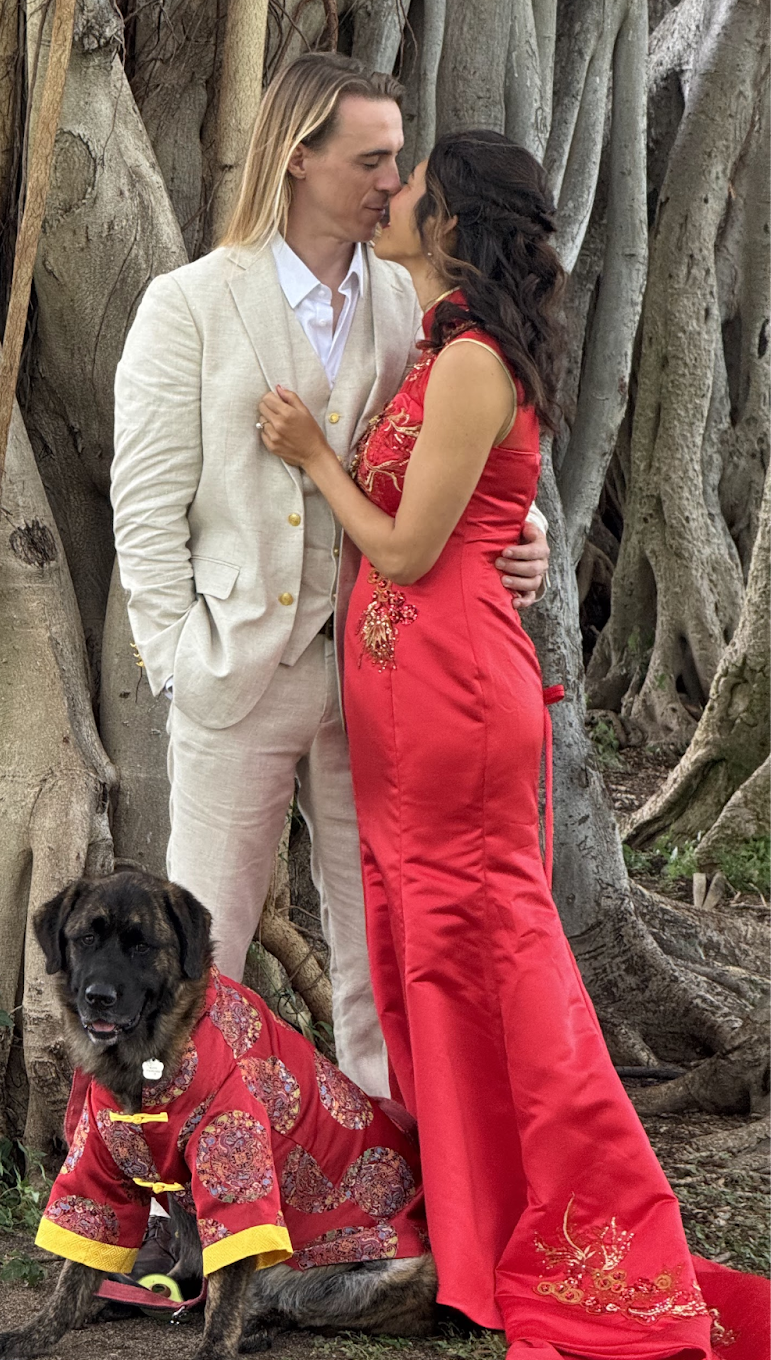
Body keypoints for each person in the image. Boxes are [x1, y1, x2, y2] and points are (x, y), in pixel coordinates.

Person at [255, 128, 771, 1360]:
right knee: (427, 958)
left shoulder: (475, 360)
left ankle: (597, 1225)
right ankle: (473, 1235)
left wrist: (313, 458)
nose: (391, 196)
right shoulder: (440, 350)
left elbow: (408, 547)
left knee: (493, 956)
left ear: (452, 222)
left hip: (456, 703)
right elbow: (487, 509)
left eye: (414, 185)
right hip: (404, 705)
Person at [111, 55, 549, 1099]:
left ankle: (391, 1162)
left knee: (380, 950)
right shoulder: (190, 304)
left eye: (399, 160)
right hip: (237, 672)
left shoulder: (410, 296)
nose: (393, 185)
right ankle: (181, 1169)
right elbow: (145, 506)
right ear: (296, 159)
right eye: (370, 161)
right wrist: (177, 660)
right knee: (200, 953)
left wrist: (520, 529)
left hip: (385, 679)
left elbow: (456, 442)